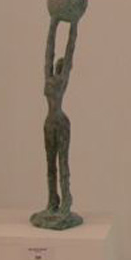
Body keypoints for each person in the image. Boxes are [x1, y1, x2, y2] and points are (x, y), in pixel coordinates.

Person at [43, 16, 78, 215]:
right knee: (50, 165)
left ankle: (66, 199)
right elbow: (49, 50)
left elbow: (69, 48)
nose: (58, 66)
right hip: (49, 123)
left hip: (60, 123)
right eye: (58, 64)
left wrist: (74, 24)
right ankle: (52, 200)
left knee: (62, 162)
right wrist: (53, 23)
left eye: (62, 66)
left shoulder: (62, 81)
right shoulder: (48, 77)